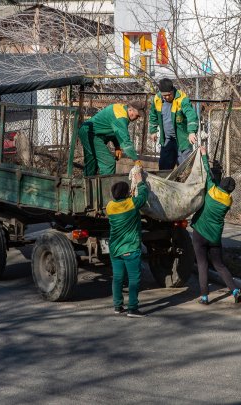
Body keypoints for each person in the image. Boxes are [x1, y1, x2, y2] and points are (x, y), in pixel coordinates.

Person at [190, 145, 241, 305]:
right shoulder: (228, 201)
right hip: (215, 237)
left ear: (220, 184)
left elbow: (206, 171)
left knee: (203, 265)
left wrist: (204, 154)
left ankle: (205, 297)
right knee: (219, 265)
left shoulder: (211, 190)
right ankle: (235, 290)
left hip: (200, 233)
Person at [106, 172, 149, 318]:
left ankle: (118, 306)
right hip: (130, 248)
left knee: (117, 278)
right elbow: (143, 196)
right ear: (126, 194)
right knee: (134, 279)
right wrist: (140, 182)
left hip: (115, 249)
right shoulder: (132, 204)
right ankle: (132, 308)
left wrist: (128, 194)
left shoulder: (110, 207)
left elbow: (125, 203)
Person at [78, 102, 145, 176]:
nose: (137, 118)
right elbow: (126, 142)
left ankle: (88, 186)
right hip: (90, 134)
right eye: (137, 115)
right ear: (130, 110)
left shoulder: (121, 109)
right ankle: (105, 186)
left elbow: (114, 131)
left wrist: (117, 146)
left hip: (87, 131)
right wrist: (136, 160)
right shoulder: (121, 117)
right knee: (108, 163)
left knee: (91, 163)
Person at [148, 78, 199, 170]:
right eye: (164, 95)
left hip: (183, 140)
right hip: (167, 140)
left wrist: (192, 132)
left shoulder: (182, 99)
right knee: (164, 168)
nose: (167, 97)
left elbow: (191, 115)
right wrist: (153, 131)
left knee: (185, 168)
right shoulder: (157, 99)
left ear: (172, 90)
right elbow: (153, 115)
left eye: (169, 95)